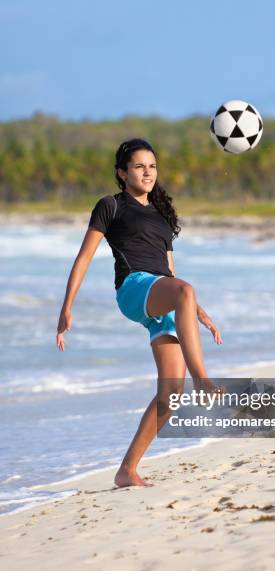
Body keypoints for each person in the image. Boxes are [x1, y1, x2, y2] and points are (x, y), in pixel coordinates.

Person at [56, 138, 224, 488]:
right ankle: (202, 380)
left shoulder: (162, 215)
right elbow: (84, 257)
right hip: (134, 288)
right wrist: (66, 307)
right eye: (138, 166)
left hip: (163, 295)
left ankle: (126, 470)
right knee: (185, 293)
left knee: (171, 392)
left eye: (152, 166)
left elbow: (172, 274)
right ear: (122, 172)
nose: (147, 172)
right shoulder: (110, 206)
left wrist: (197, 310)